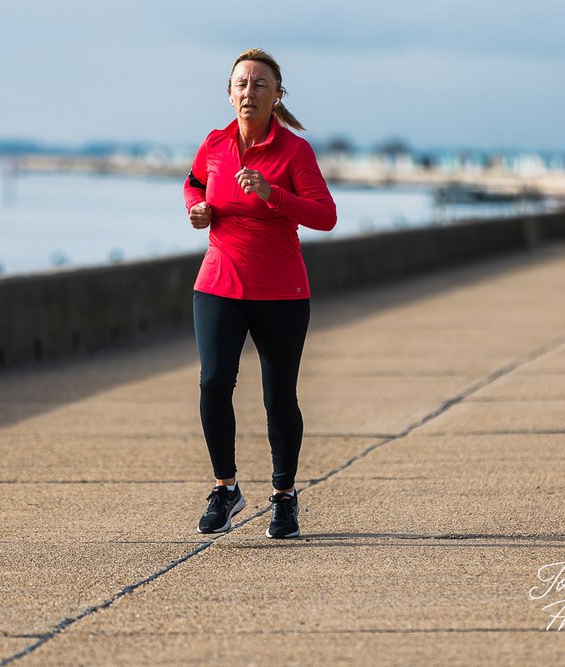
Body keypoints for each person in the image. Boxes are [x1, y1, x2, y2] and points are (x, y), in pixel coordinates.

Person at [183, 48, 336, 539]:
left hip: (281, 291)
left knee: (279, 398)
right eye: (242, 84)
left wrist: (274, 195)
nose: (249, 93)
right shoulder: (213, 144)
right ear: (230, 93)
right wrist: (199, 209)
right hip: (218, 283)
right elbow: (192, 184)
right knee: (212, 384)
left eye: (260, 85)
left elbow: (325, 216)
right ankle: (225, 489)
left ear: (277, 96)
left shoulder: (295, 152)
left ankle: (284, 498)